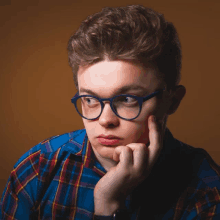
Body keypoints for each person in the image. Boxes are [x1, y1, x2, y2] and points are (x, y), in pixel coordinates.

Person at [0, 4, 219, 220]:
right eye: (90, 99)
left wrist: (108, 205)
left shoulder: (207, 193)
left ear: (171, 101)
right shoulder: (39, 168)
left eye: (127, 99)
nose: (105, 120)